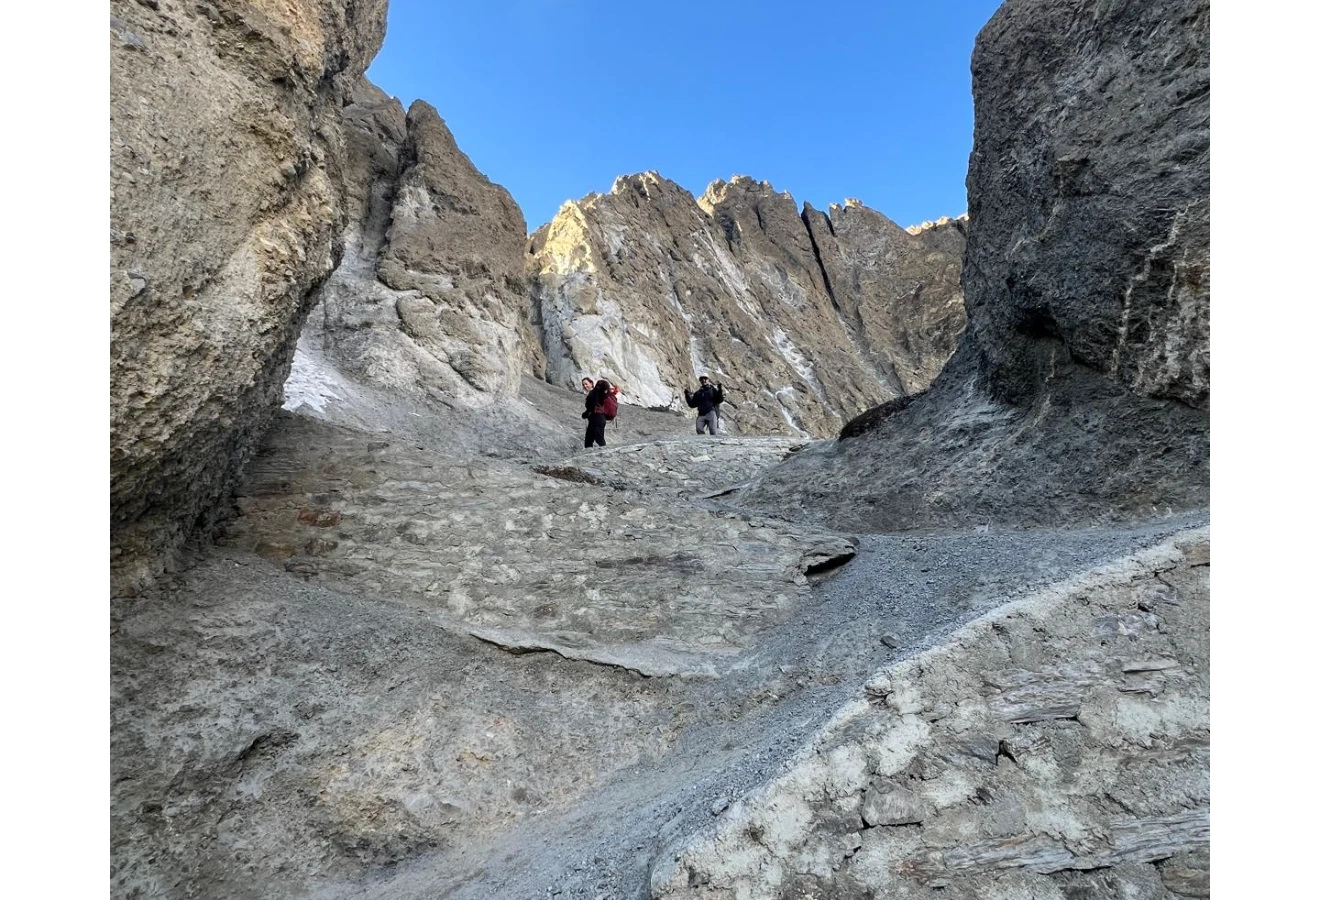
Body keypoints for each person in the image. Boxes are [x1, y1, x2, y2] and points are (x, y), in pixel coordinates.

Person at [582, 378, 619, 448]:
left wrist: (585, 414)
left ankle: (606, 454)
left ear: (591, 383)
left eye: (586, 384)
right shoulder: (598, 393)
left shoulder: (594, 393)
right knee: (589, 440)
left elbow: (592, 407)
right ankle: (591, 456)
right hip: (599, 419)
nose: (584, 386)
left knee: (598, 439)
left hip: (597, 418)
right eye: (583, 384)